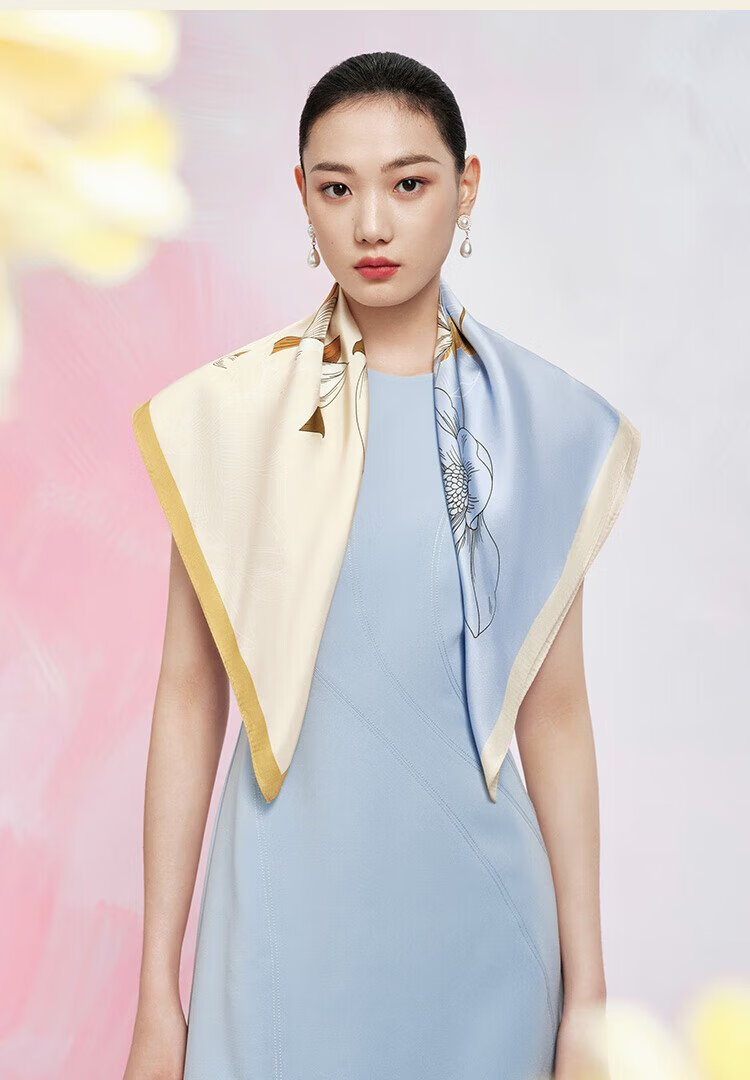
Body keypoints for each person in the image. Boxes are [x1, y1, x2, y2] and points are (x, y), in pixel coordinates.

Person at [124, 51, 640, 1080]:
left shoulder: (536, 429)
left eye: (408, 183)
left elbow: (555, 716)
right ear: (302, 196)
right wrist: (156, 996)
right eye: (337, 188)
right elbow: (188, 700)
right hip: (280, 932)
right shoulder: (232, 420)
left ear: (466, 186)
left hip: (484, 938)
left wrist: (587, 1001)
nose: (371, 225)